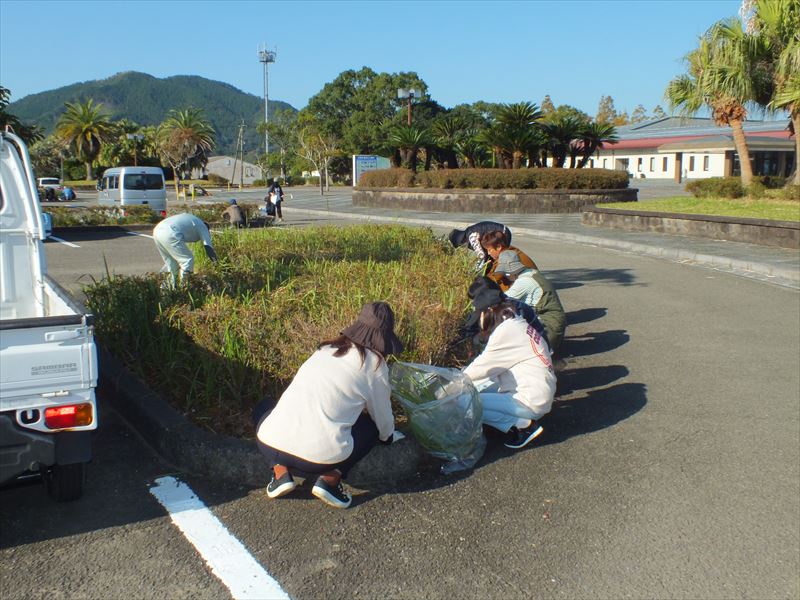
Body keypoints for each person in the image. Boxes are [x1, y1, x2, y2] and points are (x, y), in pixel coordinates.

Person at [256, 302, 404, 509]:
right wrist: (387, 437)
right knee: (371, 428)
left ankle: (280, 472)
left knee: (265, 406)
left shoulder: (327, 349)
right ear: (385, 337)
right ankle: (330, 481)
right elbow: (383, 418)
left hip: (270, 443)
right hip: (319, 459)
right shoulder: (375, 366)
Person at [463, 300, 556, 449]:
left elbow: (482, 367)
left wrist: (451, 381)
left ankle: (524, 426)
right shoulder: (516, 321)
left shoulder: (505, 333)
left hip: (530, 400)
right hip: (540, 390)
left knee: (467, 402)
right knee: (478, 389)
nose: (481, 331)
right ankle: (518, 420)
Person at [494, 250, 566, 353]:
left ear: (510, 271)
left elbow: (501, 300)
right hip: (555, 323)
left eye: (505, 273)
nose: (505, 276)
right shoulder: (531, 273)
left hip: (549, 329)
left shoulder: (524, 282)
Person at [152, 213, 218, 286]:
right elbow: (208, 247)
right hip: (171, 232)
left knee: (172, 264)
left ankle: (171, 289)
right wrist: (216, 264)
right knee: (187, 260)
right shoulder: (203, 227)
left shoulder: (193, 220)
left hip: (157, 230)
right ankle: (184, 287)